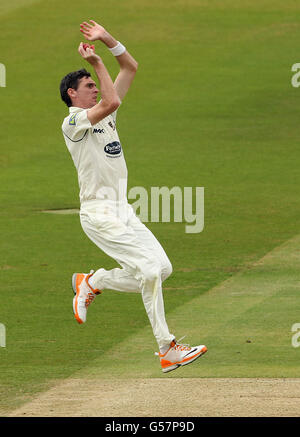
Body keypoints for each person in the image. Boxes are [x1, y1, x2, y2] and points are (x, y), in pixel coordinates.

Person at [60, 20, 207, 373]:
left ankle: (94, 281)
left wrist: (106, 39)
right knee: (149, 270)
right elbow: (111, 100)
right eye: (88, 86)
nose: (95, 89)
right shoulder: (74, 123)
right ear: (72, 95)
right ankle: (167, 348)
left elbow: (130, 67)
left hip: (122, 210)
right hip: (98, 214)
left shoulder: (105, 117)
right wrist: (96, 62)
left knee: (162, 269)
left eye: (95, 85)